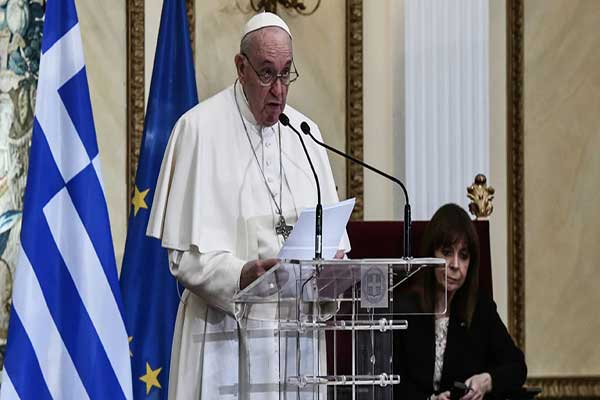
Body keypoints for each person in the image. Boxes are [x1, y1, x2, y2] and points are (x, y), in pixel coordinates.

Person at [147, 12, 349, 400]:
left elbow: (332, 247)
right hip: (222, 339)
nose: (279, 90)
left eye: (286, 73)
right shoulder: (198, 130)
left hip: (296, 344)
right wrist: (241, 275)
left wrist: (332, 273)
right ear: (241, 67)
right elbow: (181, 257)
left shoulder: (305, 134)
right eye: (267, 73)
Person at [394, 204, 526, 400]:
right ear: (431, 255)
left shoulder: (481, 308)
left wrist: (487, 381)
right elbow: (391, 381)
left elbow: (517, 367)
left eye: (463, 256)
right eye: (447, 252)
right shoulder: (404, 308)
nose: (455, 265)